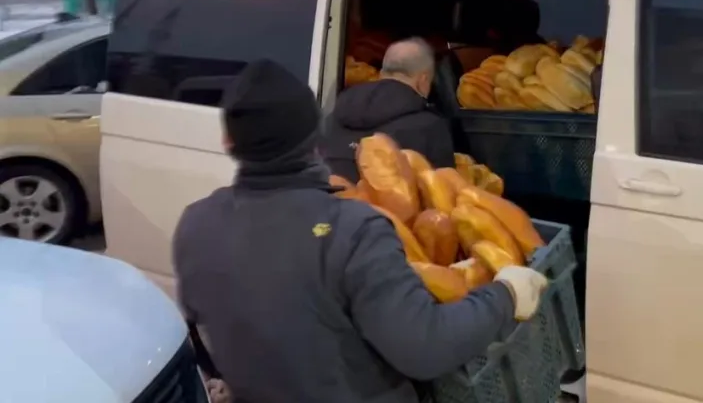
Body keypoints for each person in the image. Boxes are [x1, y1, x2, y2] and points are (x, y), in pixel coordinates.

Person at [172, 59, 549, 403]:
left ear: (228, 142)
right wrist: (505, 295)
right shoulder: (353, 229)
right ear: (314, 137)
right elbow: (425, 347)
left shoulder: (194, 224)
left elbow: (208, 334)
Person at [324, 37, 455, 182]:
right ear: (423, 80)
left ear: (381, 73)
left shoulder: (333, 115)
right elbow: (444, 193)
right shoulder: (431, 127)